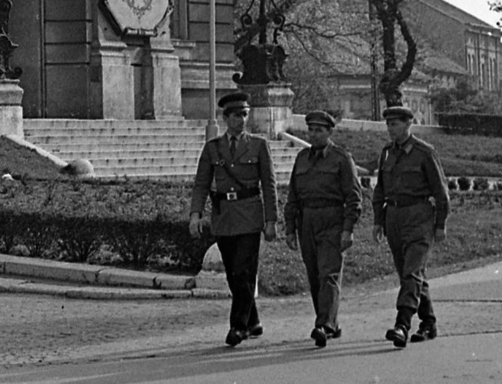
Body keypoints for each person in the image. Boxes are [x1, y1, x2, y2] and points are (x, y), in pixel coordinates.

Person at [189, 90, 278, 346]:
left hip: (250, 214)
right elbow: (201, 184)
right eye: (237, 115)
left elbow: (269, 185)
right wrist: (195, 215)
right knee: (233, 274)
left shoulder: (259, 145)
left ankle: (238, 327)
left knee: (243, 270)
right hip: (223, 216)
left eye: (245, 114)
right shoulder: (213, 148)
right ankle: (254, 320)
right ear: (225, 118)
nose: (242, 120)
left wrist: (270, 221)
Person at [371, 104, 451, 348]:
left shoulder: (424, 152)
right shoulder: (387, 152)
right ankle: (428, 321)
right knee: (411, 273)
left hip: (419, 217)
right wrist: (378, 220)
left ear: (408, 125)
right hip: (394, 217)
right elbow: (380, 189)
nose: (390, 129)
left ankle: (402, 324)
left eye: (394, 124)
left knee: (412, 272)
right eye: (388, 124)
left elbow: (441, 193)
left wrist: (440, 224)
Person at [283, 110, 363, 348]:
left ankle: (323, 325)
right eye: (311, 130)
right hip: (306, 221)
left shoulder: (341, 158)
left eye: (319, 130)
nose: (314, 134)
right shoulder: (301, 158)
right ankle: (331, 323)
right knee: (315, 276)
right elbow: (293, 197)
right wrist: (289, 229)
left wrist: (348, 229)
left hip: (332, 220)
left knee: (329, 273)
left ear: (329, 132)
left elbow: (354, 197)